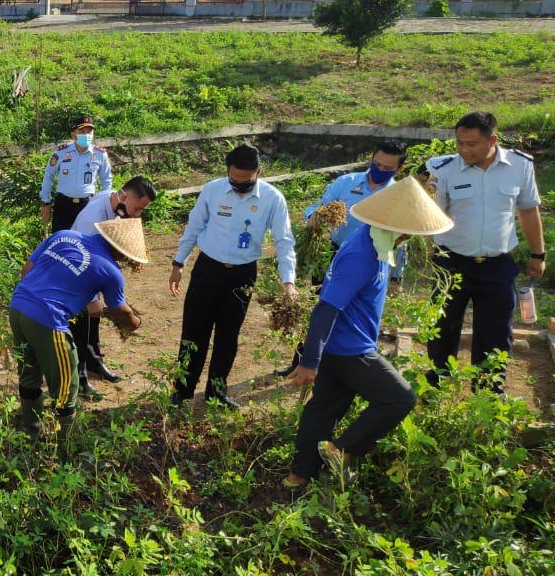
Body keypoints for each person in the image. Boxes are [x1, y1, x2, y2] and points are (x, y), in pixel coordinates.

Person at [284, 176, 454, 487]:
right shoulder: (362, 254)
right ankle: (340, 450)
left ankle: (298, 478)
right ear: (398, 226)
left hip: (343, 345)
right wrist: (309, 361)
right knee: (399, 398)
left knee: (323, 410)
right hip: (350, 349)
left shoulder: (378, 242)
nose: (410, 237)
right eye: (410, 231)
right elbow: (327, 307)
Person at [169, 144, 297, 409]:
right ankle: (182, 391)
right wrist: (178, 262)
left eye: (246, 182)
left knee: (228, 336)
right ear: (227, 171)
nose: (240, 186)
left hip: (242, 275)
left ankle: (216, 392)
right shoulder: (212, 190)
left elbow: (284, 241)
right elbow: (194, 226)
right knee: (194, 332)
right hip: (207, 270)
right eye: (235, 181)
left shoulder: (273, 199)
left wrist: (289, 282)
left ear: (259, 172)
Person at [426, 111, 544, 388]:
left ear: (493, 140)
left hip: (497, 265)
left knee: (495, 331)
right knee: (442, 329)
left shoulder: (519, 165)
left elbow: (528, 210)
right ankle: (436, 388)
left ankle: (489, 390)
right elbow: (429, 216)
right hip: (450, 264)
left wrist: (538, 255)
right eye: (459, 143)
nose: (463, 150)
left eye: (472, 144)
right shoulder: (442, 169)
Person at [10, 218, 146, 458]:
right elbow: (120, 312)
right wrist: (135, 323)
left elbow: (26, 270)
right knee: (66, 384)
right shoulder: (111, 271)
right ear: (121, 251)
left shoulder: (64, 235)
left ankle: (29, 437)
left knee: (29, 372)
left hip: (18, 306)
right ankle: (66, 451)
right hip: (48, 320)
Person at [277, 139, 408, 376]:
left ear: (399, 169)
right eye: (377, 163)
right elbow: (317, 206)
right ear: (371, 158)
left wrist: (396, 276)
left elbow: (401, 240)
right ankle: (302, 361)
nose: (380, 170)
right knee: (319, 309)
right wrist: (314, 216)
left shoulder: (397, 197)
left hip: (372, 260)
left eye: (388, 168)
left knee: (351, 315)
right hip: (332, 254)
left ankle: (334, 367)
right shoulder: (346, 183)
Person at [68, 176, 157, 396]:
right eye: (137, 209)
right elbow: (83, 261)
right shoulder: (93, 222)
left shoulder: (111, 199)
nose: (137, 215)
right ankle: (79, 380)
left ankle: (94, 361)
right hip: (74, 272)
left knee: (93, 319)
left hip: (90, 269)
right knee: (81, 323)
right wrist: (91, 299)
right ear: (124, 197)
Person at [40, 114, 114, 232]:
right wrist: (46, 203)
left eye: (89, 132)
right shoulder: (61, 153)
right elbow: (48, 176)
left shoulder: (100, 154)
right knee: (62, 242)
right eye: (82, 131)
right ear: (73, 134)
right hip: (63, 206)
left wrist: (106, 206)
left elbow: (107, 181)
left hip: (87, 205)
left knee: (84, 243)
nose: (86, 135)